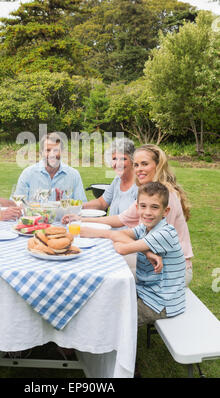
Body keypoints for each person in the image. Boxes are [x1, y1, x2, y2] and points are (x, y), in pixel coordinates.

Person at [69, 144, 193, 285]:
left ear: (158, 165)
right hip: (152, 261)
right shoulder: (149, 192)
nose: (139, 169)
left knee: (108, 278)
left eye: (144, 164)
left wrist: (108, 236)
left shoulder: (167, 196)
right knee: (97, 261)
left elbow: (152, 244)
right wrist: (81, 220)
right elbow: (121, 219)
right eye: (136, 165)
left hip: (172, 271)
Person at [96, 182, 186, 326]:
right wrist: (145, 251)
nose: (148, 212)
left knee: (112, 319)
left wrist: (119, 241)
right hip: (147, 291)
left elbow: (120, 248)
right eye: (143, 206)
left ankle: (107, 345)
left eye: (155, 207)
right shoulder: (145, 228)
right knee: (108, 297)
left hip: (161, 303)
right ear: (137, 207)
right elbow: (119, 234)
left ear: (165, 211)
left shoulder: (165, 233)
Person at [15, 132, 87, 202]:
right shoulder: (28, 174)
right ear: (41, 152)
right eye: (48, 150)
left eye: (56, 150)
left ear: (62, 152)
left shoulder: (73, 175)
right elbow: (17, 204)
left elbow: (81, 205)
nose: (52, 155)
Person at [82, 137, 138, 215]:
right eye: (114, 159)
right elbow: (102, 203)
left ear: (133, 160)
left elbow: (125, 220)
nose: (118, 163)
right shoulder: (117, 180)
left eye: (123, 159)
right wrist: (77, 206)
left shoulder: (139, 185)